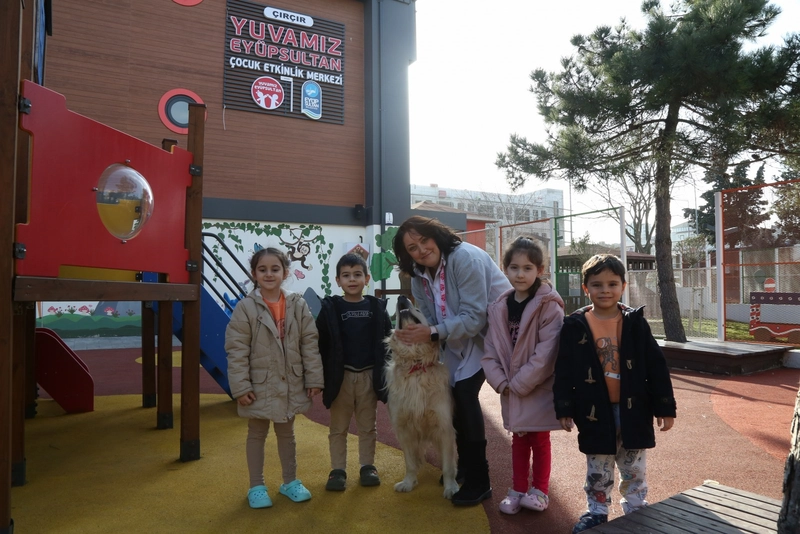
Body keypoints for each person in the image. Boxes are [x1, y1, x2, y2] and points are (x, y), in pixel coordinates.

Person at [392, 215, 511, 506]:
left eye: (424, 240)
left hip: (492, 335)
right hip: (459, 338)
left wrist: (431, 332)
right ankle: (465, 466)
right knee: (453, 395)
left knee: (465, 394)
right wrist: (421, 337)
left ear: (437, 235)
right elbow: (430, 317)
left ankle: (480, 481)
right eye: (412, 248)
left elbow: (474, 317)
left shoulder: (464, 258)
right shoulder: (418, 275)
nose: (421, 250)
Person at [553, 254, 676, 533]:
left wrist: (665, 407)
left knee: (634, 466)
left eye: (612, 284)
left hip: (635, 409)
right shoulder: (575, 325)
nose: (605, 290)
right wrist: (564, 407)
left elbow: (656, 366)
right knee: (598, 466)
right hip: (594, 411)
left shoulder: (635, 322)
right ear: (586, 288)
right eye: (597, 284)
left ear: (623, 286)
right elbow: (564, 370)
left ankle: (635, 505)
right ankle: (597, 511)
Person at [225, 247, 324, 509]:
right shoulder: (246, 307)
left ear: (285, 273)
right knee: (256, 433)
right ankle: (256, 486)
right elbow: (236, 349)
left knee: (287, 433)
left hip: (290, 381)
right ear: (254, 274)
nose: (269, 274)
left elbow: (309, 342)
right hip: (259, 383)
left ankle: (290, 481)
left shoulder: (297, 304)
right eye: (262, 269)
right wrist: (241, 386)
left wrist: (314, 378)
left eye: (275, 269)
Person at [481, 236, 565, 515]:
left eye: (528, 268)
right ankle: (518, 489)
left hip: (536, 387)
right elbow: (490, 350)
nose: (520, 274)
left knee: (539, 440)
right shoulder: (499, 307)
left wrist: (518, 384)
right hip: (510, 389)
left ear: (539, 270)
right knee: (518, 439)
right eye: (514, 267)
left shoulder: (548, 305)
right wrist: (501, 383)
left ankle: (539, 490)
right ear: (505, 268)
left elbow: (547, 352)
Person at [316, 253, 392, 491]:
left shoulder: (376, 307)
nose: (352, 279)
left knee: (368, 426)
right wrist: (319, 377)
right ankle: (337, 470)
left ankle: (367, 466)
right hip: (340, 379)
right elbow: (319, 344)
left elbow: (388, 342)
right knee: (338, 427)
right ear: (337, 280)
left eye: (357, 274)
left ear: (366, 279)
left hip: (369, 377)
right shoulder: (331, 308)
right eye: (346, 275)